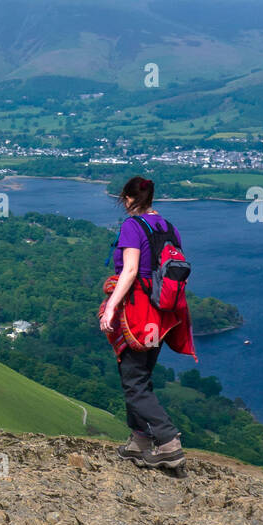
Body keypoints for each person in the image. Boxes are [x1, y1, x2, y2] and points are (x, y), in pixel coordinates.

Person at [99, 176, 196, 471]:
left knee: (134, 383)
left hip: (138, 311)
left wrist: (111, 308)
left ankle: (168, 442)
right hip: (163, 314)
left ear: (129, 198)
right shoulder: (169, 227)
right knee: (139, 376)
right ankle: (140, 442)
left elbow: (130, 271)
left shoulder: (132, 226)